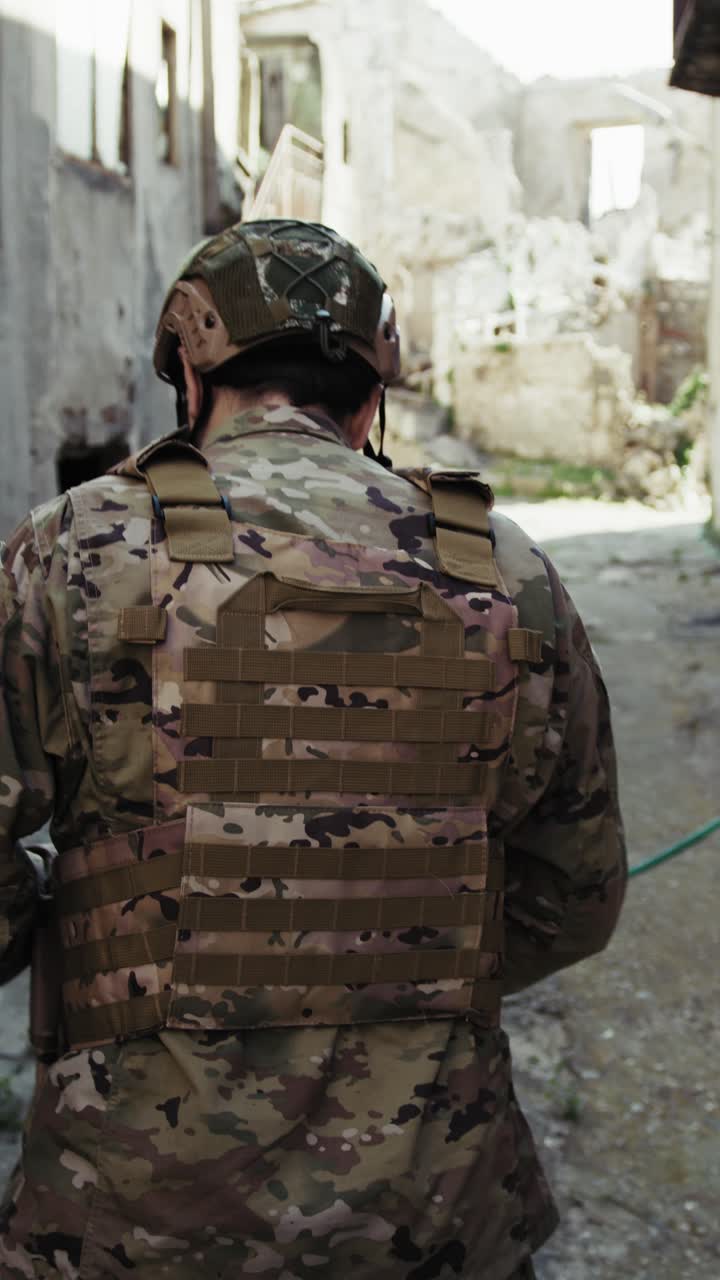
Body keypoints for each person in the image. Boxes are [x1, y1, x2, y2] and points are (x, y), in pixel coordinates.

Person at [0, 219, 626, 1280]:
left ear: (192, 376)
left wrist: (85, 927)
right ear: (371, 395)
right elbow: (576, 893)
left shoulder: (77, 547)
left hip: (132, 1219)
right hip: (434, 1210)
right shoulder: (503, 567)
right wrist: (394, 954)